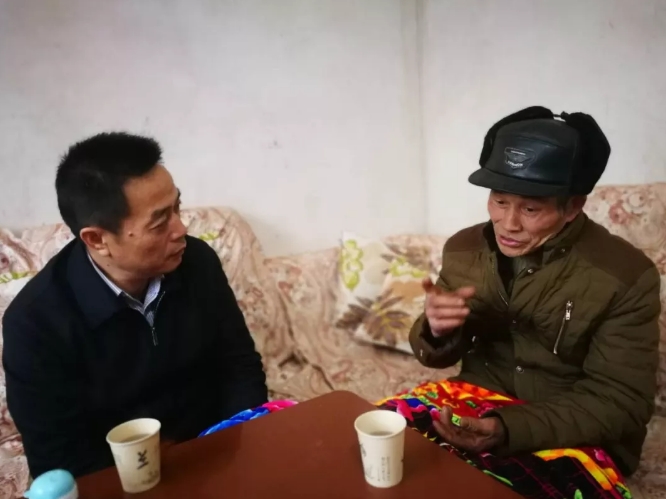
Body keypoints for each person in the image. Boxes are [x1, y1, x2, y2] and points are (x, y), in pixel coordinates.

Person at [379, 107, 661, 498]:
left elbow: (621, 401)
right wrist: (437, 329)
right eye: (499, 201)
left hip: (572, 426)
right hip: (476, 398)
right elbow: (435, 355)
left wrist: (505, 428)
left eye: (530, 209)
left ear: (572, 207)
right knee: (379, 441)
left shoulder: (625, 274)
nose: (508, 224)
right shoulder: (464, 249)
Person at [2, 132, 268, 479]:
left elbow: (239, 364)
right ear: (97, 239)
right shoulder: (35, 324)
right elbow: (59, 458)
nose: (181, 229)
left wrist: (235, 441)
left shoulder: (197, 262)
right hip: (124, 479)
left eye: (177, 207)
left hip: (216, 451)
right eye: (159, 223)